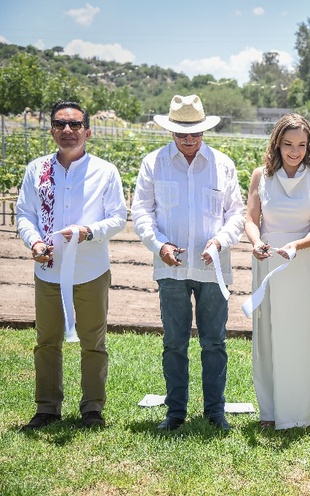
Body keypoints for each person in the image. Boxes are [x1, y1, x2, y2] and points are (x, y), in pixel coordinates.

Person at [131, 94, 245, 431]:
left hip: (214, 269)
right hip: (172, 268)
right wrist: (159, 244)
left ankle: (215, 410)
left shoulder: (223, 164)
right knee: (174, 342)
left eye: (194, 133)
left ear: (204, 131)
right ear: (171, 132)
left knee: (214, 342)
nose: (189, 139)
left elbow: (237, 214)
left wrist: (220, 241)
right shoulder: (154, 164)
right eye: (182, 133)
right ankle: (176, 411)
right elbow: (141, 212)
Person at [17, 101, 127, 430]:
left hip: (90, 270)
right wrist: (34, 242)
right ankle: (47, 407)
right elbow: (25, 214)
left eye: (75, 125)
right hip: (48, 269)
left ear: (87, 132)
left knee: (93, 340)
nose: (68, 131)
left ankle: (92, 408)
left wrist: (88, 231)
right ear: (51, 129)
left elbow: (118, 218)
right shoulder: (36, 170)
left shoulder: (105, 172)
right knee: (47, 340)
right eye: (60, 124)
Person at [244, 113, 310, 430]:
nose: (294, 151)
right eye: (288, 144)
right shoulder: (260, 177)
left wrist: (296, 246)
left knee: (300, 335)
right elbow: (252, 219)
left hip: (303, 262)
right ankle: (269, 412)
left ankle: (300, 413)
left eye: (301, 145)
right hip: (267, 260)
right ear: (277, 144)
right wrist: (255, 242)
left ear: (308, 146)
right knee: (267, 335)